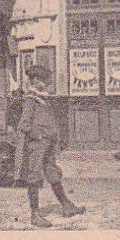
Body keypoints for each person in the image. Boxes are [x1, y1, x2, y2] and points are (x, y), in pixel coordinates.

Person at [16, 64, 83, 227]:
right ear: (35, 80)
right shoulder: (31, 100)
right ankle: (35, 214)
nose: (47, 84)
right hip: (37, 145)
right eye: (45, 81)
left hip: (48, 145)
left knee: (53, 173)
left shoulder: (41, 98)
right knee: (34, 176)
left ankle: (66, 205)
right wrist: (37, 135)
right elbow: (24, 124)